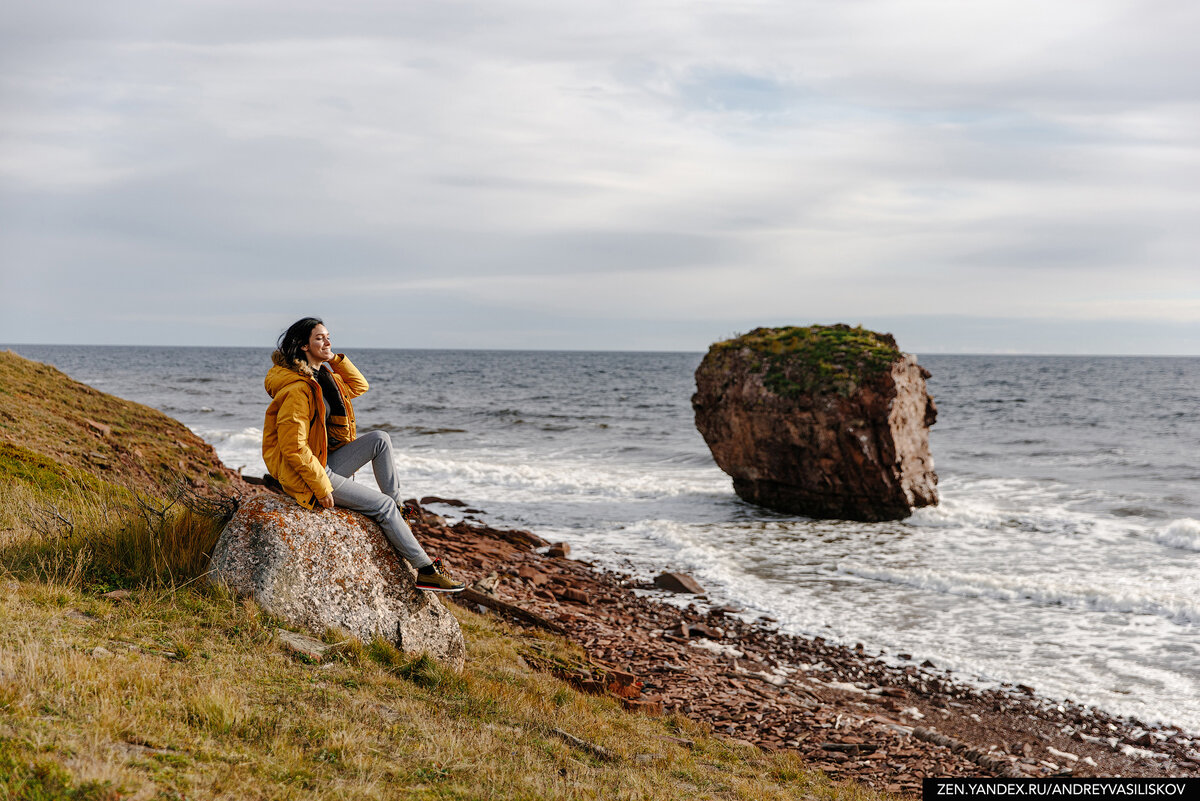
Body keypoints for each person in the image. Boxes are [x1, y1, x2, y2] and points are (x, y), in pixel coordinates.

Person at [261, 317, 464, 592]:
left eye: (328, 336)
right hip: (308, 474)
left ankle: (398, 511)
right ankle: (425, 570)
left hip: (324, 460)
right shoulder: (298, 390)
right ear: (303, 345)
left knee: (380, 439)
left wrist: (334, 359)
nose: (328, 342)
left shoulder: (322, 378)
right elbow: (294, 448)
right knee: (382, 507)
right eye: (320, 338)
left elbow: (359, 386)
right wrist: (321, 488)